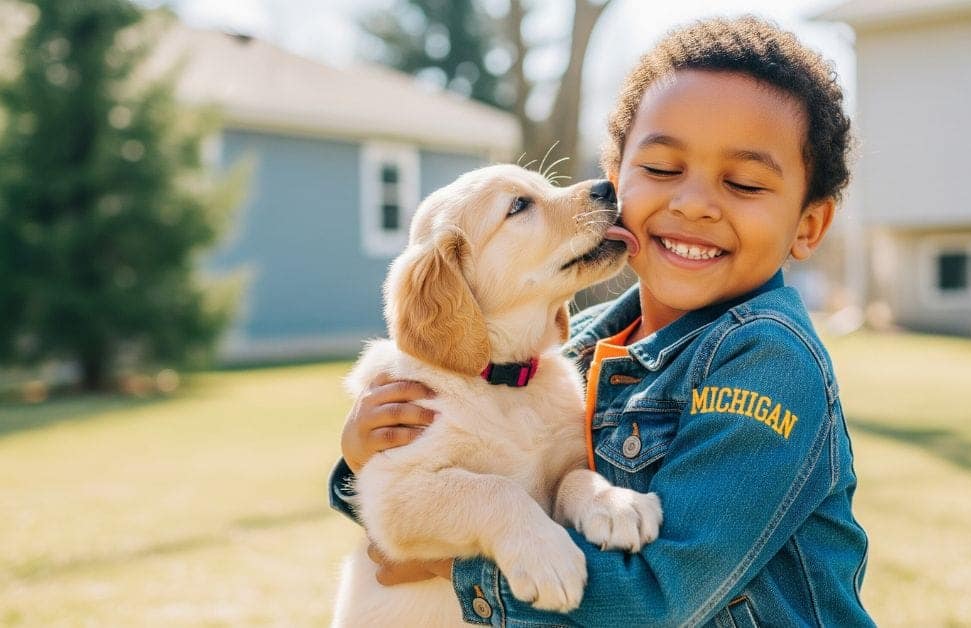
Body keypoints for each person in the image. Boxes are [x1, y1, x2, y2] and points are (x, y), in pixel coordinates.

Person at [330, 16, 874, 627]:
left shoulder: (766, 361)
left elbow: (654, 600)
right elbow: (420, 503)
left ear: (808, 225)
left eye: (744, 183)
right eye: (663, 170)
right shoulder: (582, 346)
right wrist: (356, 460)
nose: (693, 203)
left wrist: (462, 570)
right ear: (618, 184)